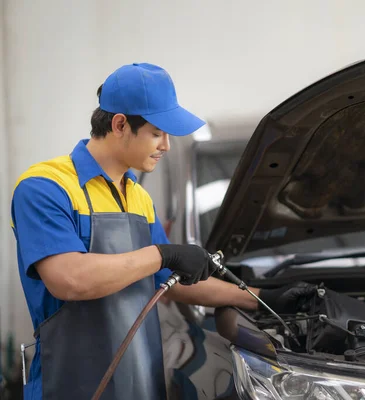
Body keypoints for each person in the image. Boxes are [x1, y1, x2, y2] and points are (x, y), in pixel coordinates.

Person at [10, 63, 315, 400]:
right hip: (67, 385)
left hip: (141, 379)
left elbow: (170, 282)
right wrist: (162, 254)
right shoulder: (45, 188)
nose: (166, 145)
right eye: (157, 132)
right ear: (120, 124)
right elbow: (69, 279)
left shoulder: (138, 197)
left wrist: (261, 297)